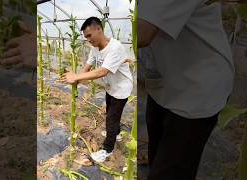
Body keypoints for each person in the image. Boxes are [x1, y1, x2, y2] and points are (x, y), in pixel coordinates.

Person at [138, 0, 238, 179]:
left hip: (196, 88)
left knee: (171, 171)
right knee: (159, 159)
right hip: (166, 80)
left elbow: (141, 33)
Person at [61, 17, 133, 163]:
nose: (88, 39)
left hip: (121, 88)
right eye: (85, 37)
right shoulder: (94, 48)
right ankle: (117, 133)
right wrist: (77, 79)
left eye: (89, 35)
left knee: (111, 119)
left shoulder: (115, 47)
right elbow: (88, 66)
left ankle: (107, 150)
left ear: (99, 29)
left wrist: (76, 77)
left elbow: (102, 71)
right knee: (111, 113)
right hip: (111, 87)